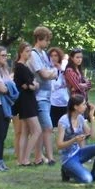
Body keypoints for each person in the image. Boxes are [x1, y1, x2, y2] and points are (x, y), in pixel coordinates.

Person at [56, 94, 95, 184]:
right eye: (83, 104)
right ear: (76, 107)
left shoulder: (80, 118)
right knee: (87, 179)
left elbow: (92, 135)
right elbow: (59, 145)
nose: (85, 106)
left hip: (79, 152)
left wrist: (91, 116)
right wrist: (74, 140)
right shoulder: (63, 121)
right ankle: (66, 171)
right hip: (68, 158)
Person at [28, 27, 59, 165]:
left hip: (47, 95)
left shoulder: (44, 54)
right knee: (47, 126)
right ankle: (50, 157)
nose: (48, 43)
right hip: (39, 96)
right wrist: (53, 73)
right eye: (46, 40)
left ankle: (39, 157)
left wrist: (52, 72)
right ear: (39, 39)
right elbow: (45, 74)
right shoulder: (34, 54)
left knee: (42, 128)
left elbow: (52, 71)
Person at [12, 42, 41, 165]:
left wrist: (32, 85)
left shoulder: (24, 66)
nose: (29, 53)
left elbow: (30, 83)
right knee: (37, 130)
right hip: (26, 101)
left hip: (26, 99)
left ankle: (21, 159)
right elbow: (30, 85)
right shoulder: (21, 67)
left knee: (25, 131)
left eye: (30, 51)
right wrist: (33, 85)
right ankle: (26, 158)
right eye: (27, 51)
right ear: (21, 52)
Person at [48, 46, 69, 128]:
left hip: (63, 100)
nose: (53, 58)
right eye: (51, 56)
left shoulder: (64, 68)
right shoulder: (47, 68)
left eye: (55, 55)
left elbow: (68, 82)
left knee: (64, 126)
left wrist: (61, 69)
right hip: (51, 100)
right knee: (51, 126)